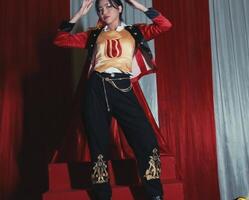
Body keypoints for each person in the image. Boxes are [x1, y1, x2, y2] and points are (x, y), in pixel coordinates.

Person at [53, 0, 172, 199]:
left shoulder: (134, 32)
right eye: (100, 9)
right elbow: (60, 39)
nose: (103, 11)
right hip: (96, 89)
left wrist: (140, 7)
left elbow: (165, 25)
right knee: (98, 145)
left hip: (122, 87)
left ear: (120, 8)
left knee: (147, 140)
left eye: (108, 6)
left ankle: (154, 195)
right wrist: (80, 14)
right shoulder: (94, 34)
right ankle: (102, 195)